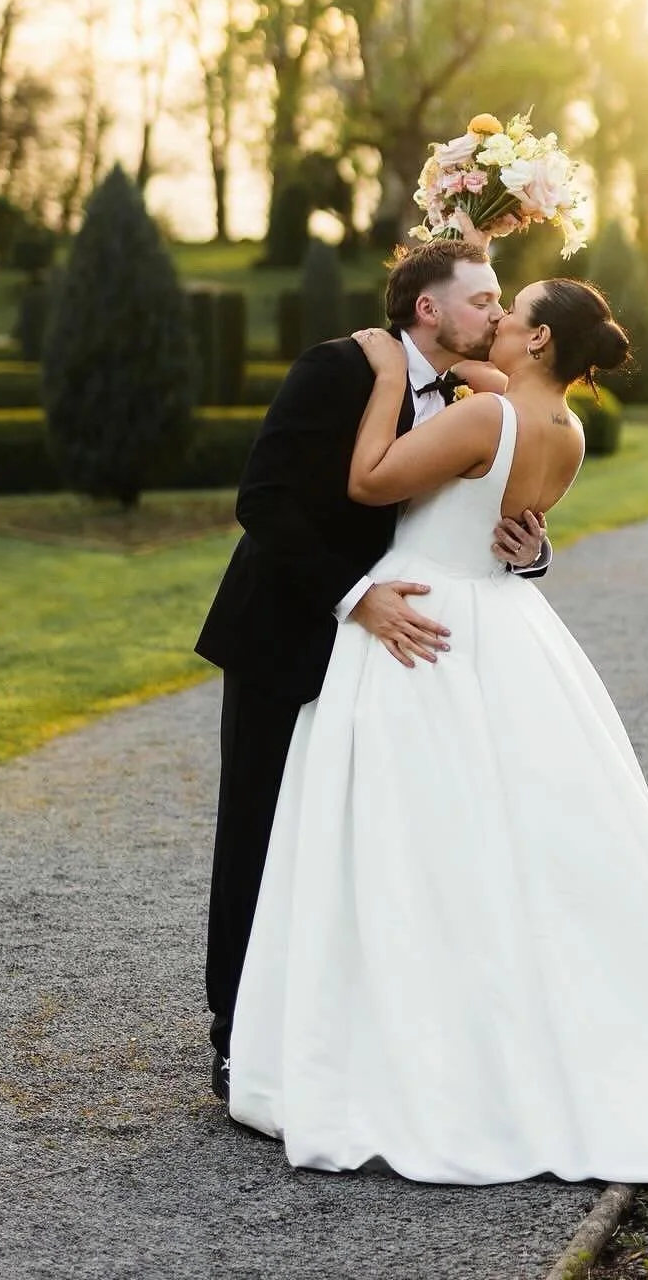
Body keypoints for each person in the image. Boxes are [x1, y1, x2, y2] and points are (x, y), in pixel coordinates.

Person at [226, 277, 648, 1184]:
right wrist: (528, 542)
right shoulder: (568, 432)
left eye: (512, 311)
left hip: (420, 625)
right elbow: (516, 524)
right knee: (507, 843)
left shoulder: (476, 418)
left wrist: (389, 376)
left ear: (538, 340)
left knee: (402, 841)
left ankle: (398, 1048)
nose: (497, 319)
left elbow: (368, 480)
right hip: (503, 631)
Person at [195, 239, 551, 1103]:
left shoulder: (478, 398)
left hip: (392, 665)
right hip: (291, 634)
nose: (498, 316)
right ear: (427, 309)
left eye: (503, 302)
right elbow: (264, 502)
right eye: (483, 301)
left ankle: (337, 1028)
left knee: (356, 847)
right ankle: (238, 1035)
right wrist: (356, 598)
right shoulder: (336, 369)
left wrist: (531, 551)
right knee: (259, 833)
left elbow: (471, 515)